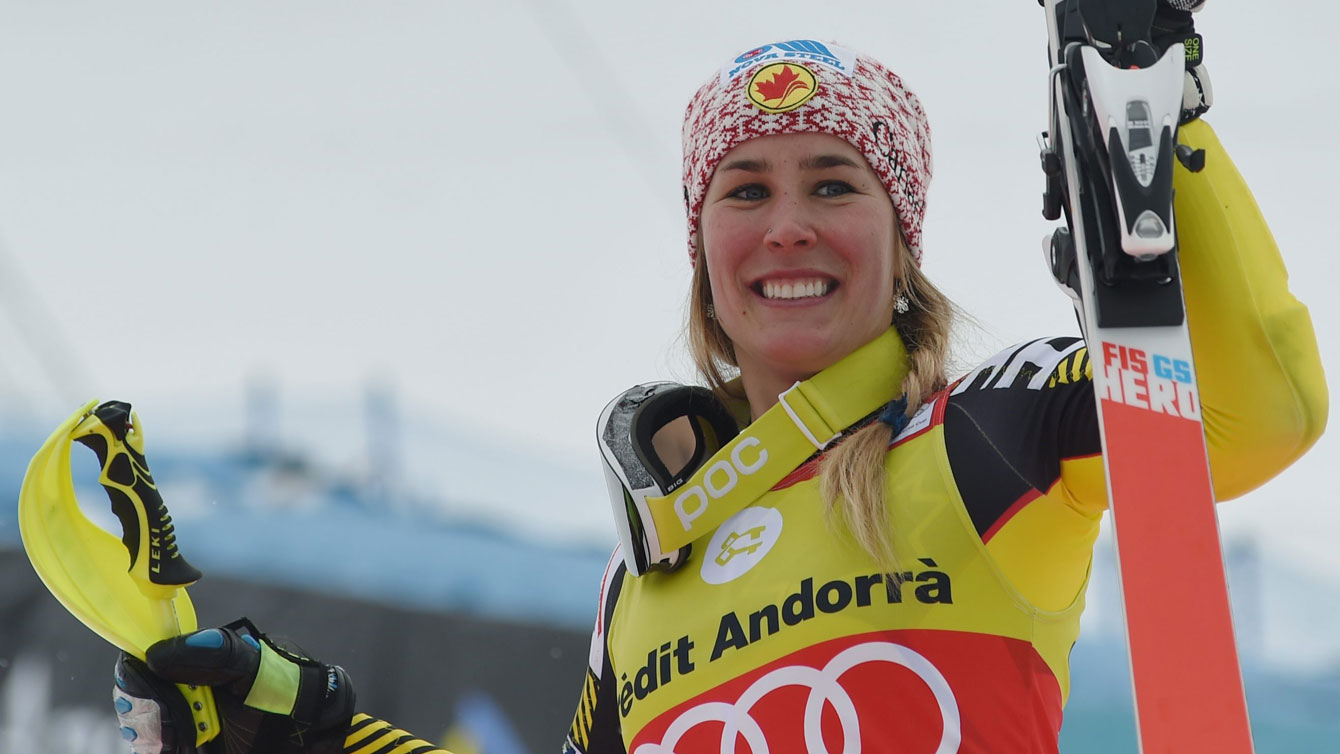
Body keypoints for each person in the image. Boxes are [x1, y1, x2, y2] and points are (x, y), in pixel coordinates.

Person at [113, 5, 1328, 754]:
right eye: (744, 190)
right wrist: (304, 721)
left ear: (901, 240)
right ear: (703, 247)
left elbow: (1253, 414)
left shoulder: (981, 436)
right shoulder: (639, 584)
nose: (786, 225)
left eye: (832, 184)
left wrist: (1155, 112)